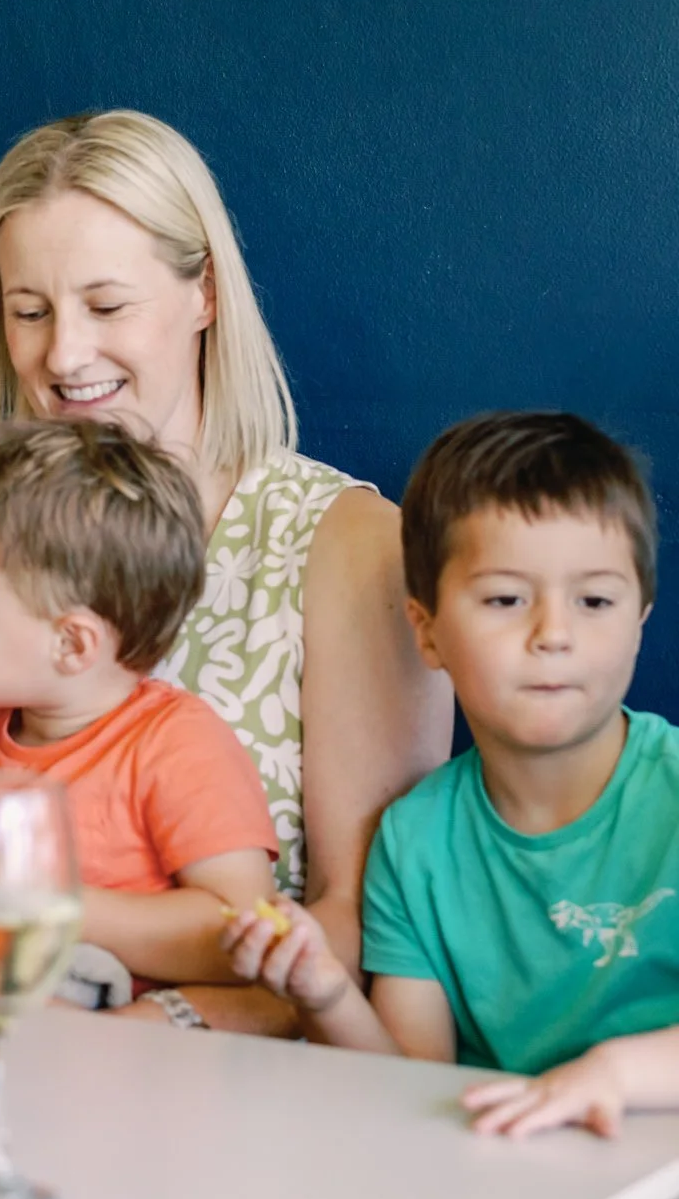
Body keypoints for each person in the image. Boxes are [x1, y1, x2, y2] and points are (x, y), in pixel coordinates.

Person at [0, 110, 453, 1035]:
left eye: (107, 306)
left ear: (204, 296)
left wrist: (160, 1030)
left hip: (233, 1075)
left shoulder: (347, 549)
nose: (63, 355)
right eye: (29, 311)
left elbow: (356, 929)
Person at [227, 411, 679, 1138]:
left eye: (594, 601)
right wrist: (324, 993)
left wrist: (616, 1076)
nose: (553, 634)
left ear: (640, 621)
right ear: (427, 630)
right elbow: (415, 1080)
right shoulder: (416, 841)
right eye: (506, 599)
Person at [0, 419, 277, 997]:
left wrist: (48, 907)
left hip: (121, 1052)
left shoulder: (179, 744)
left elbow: (240, 937)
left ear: (72, 644)